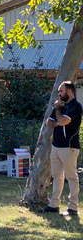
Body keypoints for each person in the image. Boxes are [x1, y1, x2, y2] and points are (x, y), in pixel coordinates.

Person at [40, 81, 82, 216]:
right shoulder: (60, 106)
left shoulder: (75, 106)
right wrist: (59, 118)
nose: (58, 94)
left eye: (61, 91)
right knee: (57, 176)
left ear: (69, 91)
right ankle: (54, 205)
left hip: (69, 147)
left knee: (71, 177)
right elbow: (49, 123)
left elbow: (64, 121)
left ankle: (73, 207)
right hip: (56, 147)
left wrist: (58, 113)